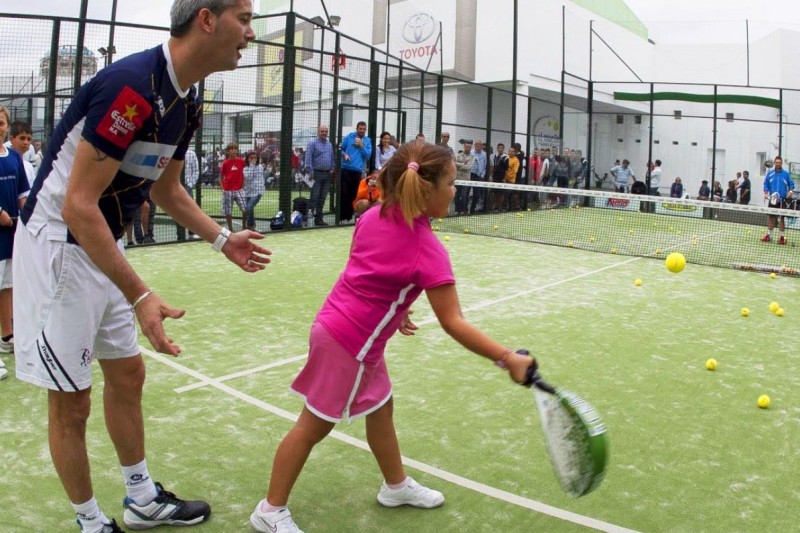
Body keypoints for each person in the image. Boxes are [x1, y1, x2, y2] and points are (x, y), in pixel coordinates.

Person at [13, 2, 272, 532]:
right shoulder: (131, 89)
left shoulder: (188, 99)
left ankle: (141, 499)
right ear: (206, 19)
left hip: (99, 242)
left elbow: (165, 188)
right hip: (61, 244)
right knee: (72, 401)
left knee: (127, 374)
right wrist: (139, 294)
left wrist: (222, 239)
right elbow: (77, 205)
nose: (249, 33)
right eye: (243, 18)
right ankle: (90, 522)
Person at [249, 141, 536, 533]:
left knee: (381, 407)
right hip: (350, 344)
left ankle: (396, 486)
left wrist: (395, 311)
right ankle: (270, 510)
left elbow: (366, 271)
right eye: (452, 182)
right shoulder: (428, 249)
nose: (457, 190)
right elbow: (453, 322)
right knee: (312, 426)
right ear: (427, 188)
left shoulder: (372, 214)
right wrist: (508, 358)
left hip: (338, 328)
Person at [0, 107, 31, 370]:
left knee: (7, 287)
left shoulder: (13, 157)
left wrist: (29, 213)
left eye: (1, 123)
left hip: (11, 234)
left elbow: (22, 193)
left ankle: (7, 336)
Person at [339, 121, 372, 222]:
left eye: (363, 129)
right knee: (344, 193)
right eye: (360, 129)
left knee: (354, 194)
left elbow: (368, 155)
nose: (362, 130)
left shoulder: (367, 141)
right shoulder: (349, 137)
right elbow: (340, 148)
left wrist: (361, 146)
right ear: (357, 129)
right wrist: (344, 155)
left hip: (357, 170)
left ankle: (350, 216)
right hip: (345, 169)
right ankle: (342, 216)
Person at [761, 155, 795, 245]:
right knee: (771, 217)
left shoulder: (786, 174)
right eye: (776, 163)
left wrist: (790, 191)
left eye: (779, 163)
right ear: (774, 163)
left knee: (781, 219)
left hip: (782, 200)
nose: (778, 164)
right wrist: (766, 193)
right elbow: (766, 184)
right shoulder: (770, 173)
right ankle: (769, 236)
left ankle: (782, 237)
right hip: (772, 199)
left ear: (781, 163)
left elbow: (791, 184)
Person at [305, 125, 334, 226]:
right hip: (315, 174)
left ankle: (319, 219)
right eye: (322, 131)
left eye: (326, 131)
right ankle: (306, 218)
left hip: (327, 174)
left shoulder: (329, 145)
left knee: (322, 197)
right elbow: (308, 159)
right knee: (314, 196)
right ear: (318, 132)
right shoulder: (312, 143)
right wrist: (310, 172)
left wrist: (332, 168)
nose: (324, 133)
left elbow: (332, 158)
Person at [220, 141, 247, 231]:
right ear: (228, 151)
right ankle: (231, 229)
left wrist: (243, 184)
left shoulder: (241, 161)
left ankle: (244, 227)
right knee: (228, 211)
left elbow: (245, 173)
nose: (234, 151)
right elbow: (221, 176)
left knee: (245, 209)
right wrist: (222, 188)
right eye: (231, 149)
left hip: (239, 189)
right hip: (227, 190)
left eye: (235, 149)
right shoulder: (225, 163)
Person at [7, 120, 37, 187]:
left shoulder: (29, 166)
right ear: (11, 139)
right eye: (22, 138)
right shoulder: (4, 163)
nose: (26, 142)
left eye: (29, 139)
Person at [244, 151, 265, 231]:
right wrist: (251, 165)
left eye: (255, 157)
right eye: (251, 158)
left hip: (257, 191)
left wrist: (252, 165)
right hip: (248, 192)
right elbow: (248, 177)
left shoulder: (259, 167)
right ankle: (250, 225)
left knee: (249, 207)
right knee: (248, 208)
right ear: (248, 159)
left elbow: (251, 176)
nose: (253, 159)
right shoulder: (245, 168)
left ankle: (251, 225)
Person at [454, 140, 474, 214]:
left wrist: (459, 164)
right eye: (466, 146)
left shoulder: (472, 157)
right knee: (456, 195)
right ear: (464, 147)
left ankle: (464, 210)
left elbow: (468, 167)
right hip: (457, 178)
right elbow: (454, 164)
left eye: (469, 147)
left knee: (464, 195)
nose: (468, 148)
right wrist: (463, 164)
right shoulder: (458, 155)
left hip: (466, 180)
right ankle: (457, 210)